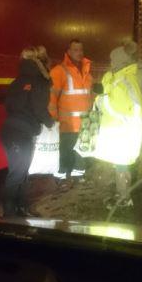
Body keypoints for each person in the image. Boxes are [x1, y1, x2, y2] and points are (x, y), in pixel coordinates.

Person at [0, 46, 54, 217]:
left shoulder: (16, 81)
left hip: (10, 131)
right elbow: (39, 108)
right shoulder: (39, 82)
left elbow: (8, 105)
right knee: (18, 173)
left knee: (22, 172)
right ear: (41, 65)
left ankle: (21, 209)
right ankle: (9, 214)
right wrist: (51, 122)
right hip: (21, 133)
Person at [93, 40, 142, 209]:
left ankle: (124, 199)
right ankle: (119, 195)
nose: (110, 62)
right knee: (117, 165)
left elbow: (137, 107)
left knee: (122, 166)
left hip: (123, 131)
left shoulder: (127, 80)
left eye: (111, 59)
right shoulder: (114, 77)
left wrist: (106, 104)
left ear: (119, 60)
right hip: (113, 130)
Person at [49, 39, 93, 179]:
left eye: (81, 50)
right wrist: (53, 120)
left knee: (79, 157)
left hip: (84, 125)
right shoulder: (59, 71)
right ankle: (61, 180)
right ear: (68, 52)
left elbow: (89, 97)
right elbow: (51, 98)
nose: (79, 53)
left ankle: (77, 180)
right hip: (66, 125)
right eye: (75, 50)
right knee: (65, 156)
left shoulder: (87, 73)